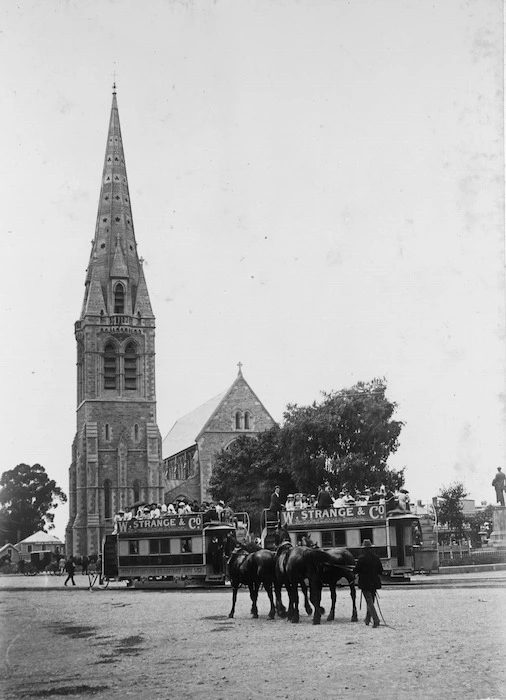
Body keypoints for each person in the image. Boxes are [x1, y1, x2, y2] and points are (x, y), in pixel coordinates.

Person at [354, 539, 383, 628]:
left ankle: (376, 619)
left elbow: (356, 570)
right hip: (374, 582)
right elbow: (380, 571)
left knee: (369, 602)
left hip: (365, 583)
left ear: (364, 549)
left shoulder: (361, 558)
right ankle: (367, 619)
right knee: (371, 601)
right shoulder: (376, 557)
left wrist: (353, 570)